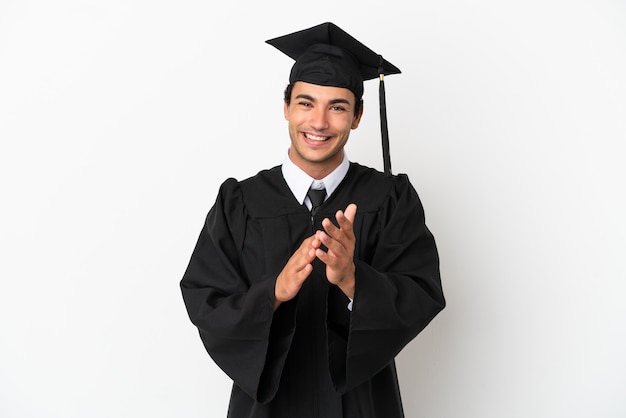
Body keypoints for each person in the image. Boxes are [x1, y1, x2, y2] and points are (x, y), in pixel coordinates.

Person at [180, 22, 445, 418]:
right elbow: (205, 301)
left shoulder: (390, 199)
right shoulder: (240, 202)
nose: (319, 122)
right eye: (306, 103)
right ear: (286, 107)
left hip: (361, 405)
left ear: (357, 116)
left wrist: (354, 281)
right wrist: (274, 292)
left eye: (337, 107)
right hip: (266, 407)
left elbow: (422, 294)